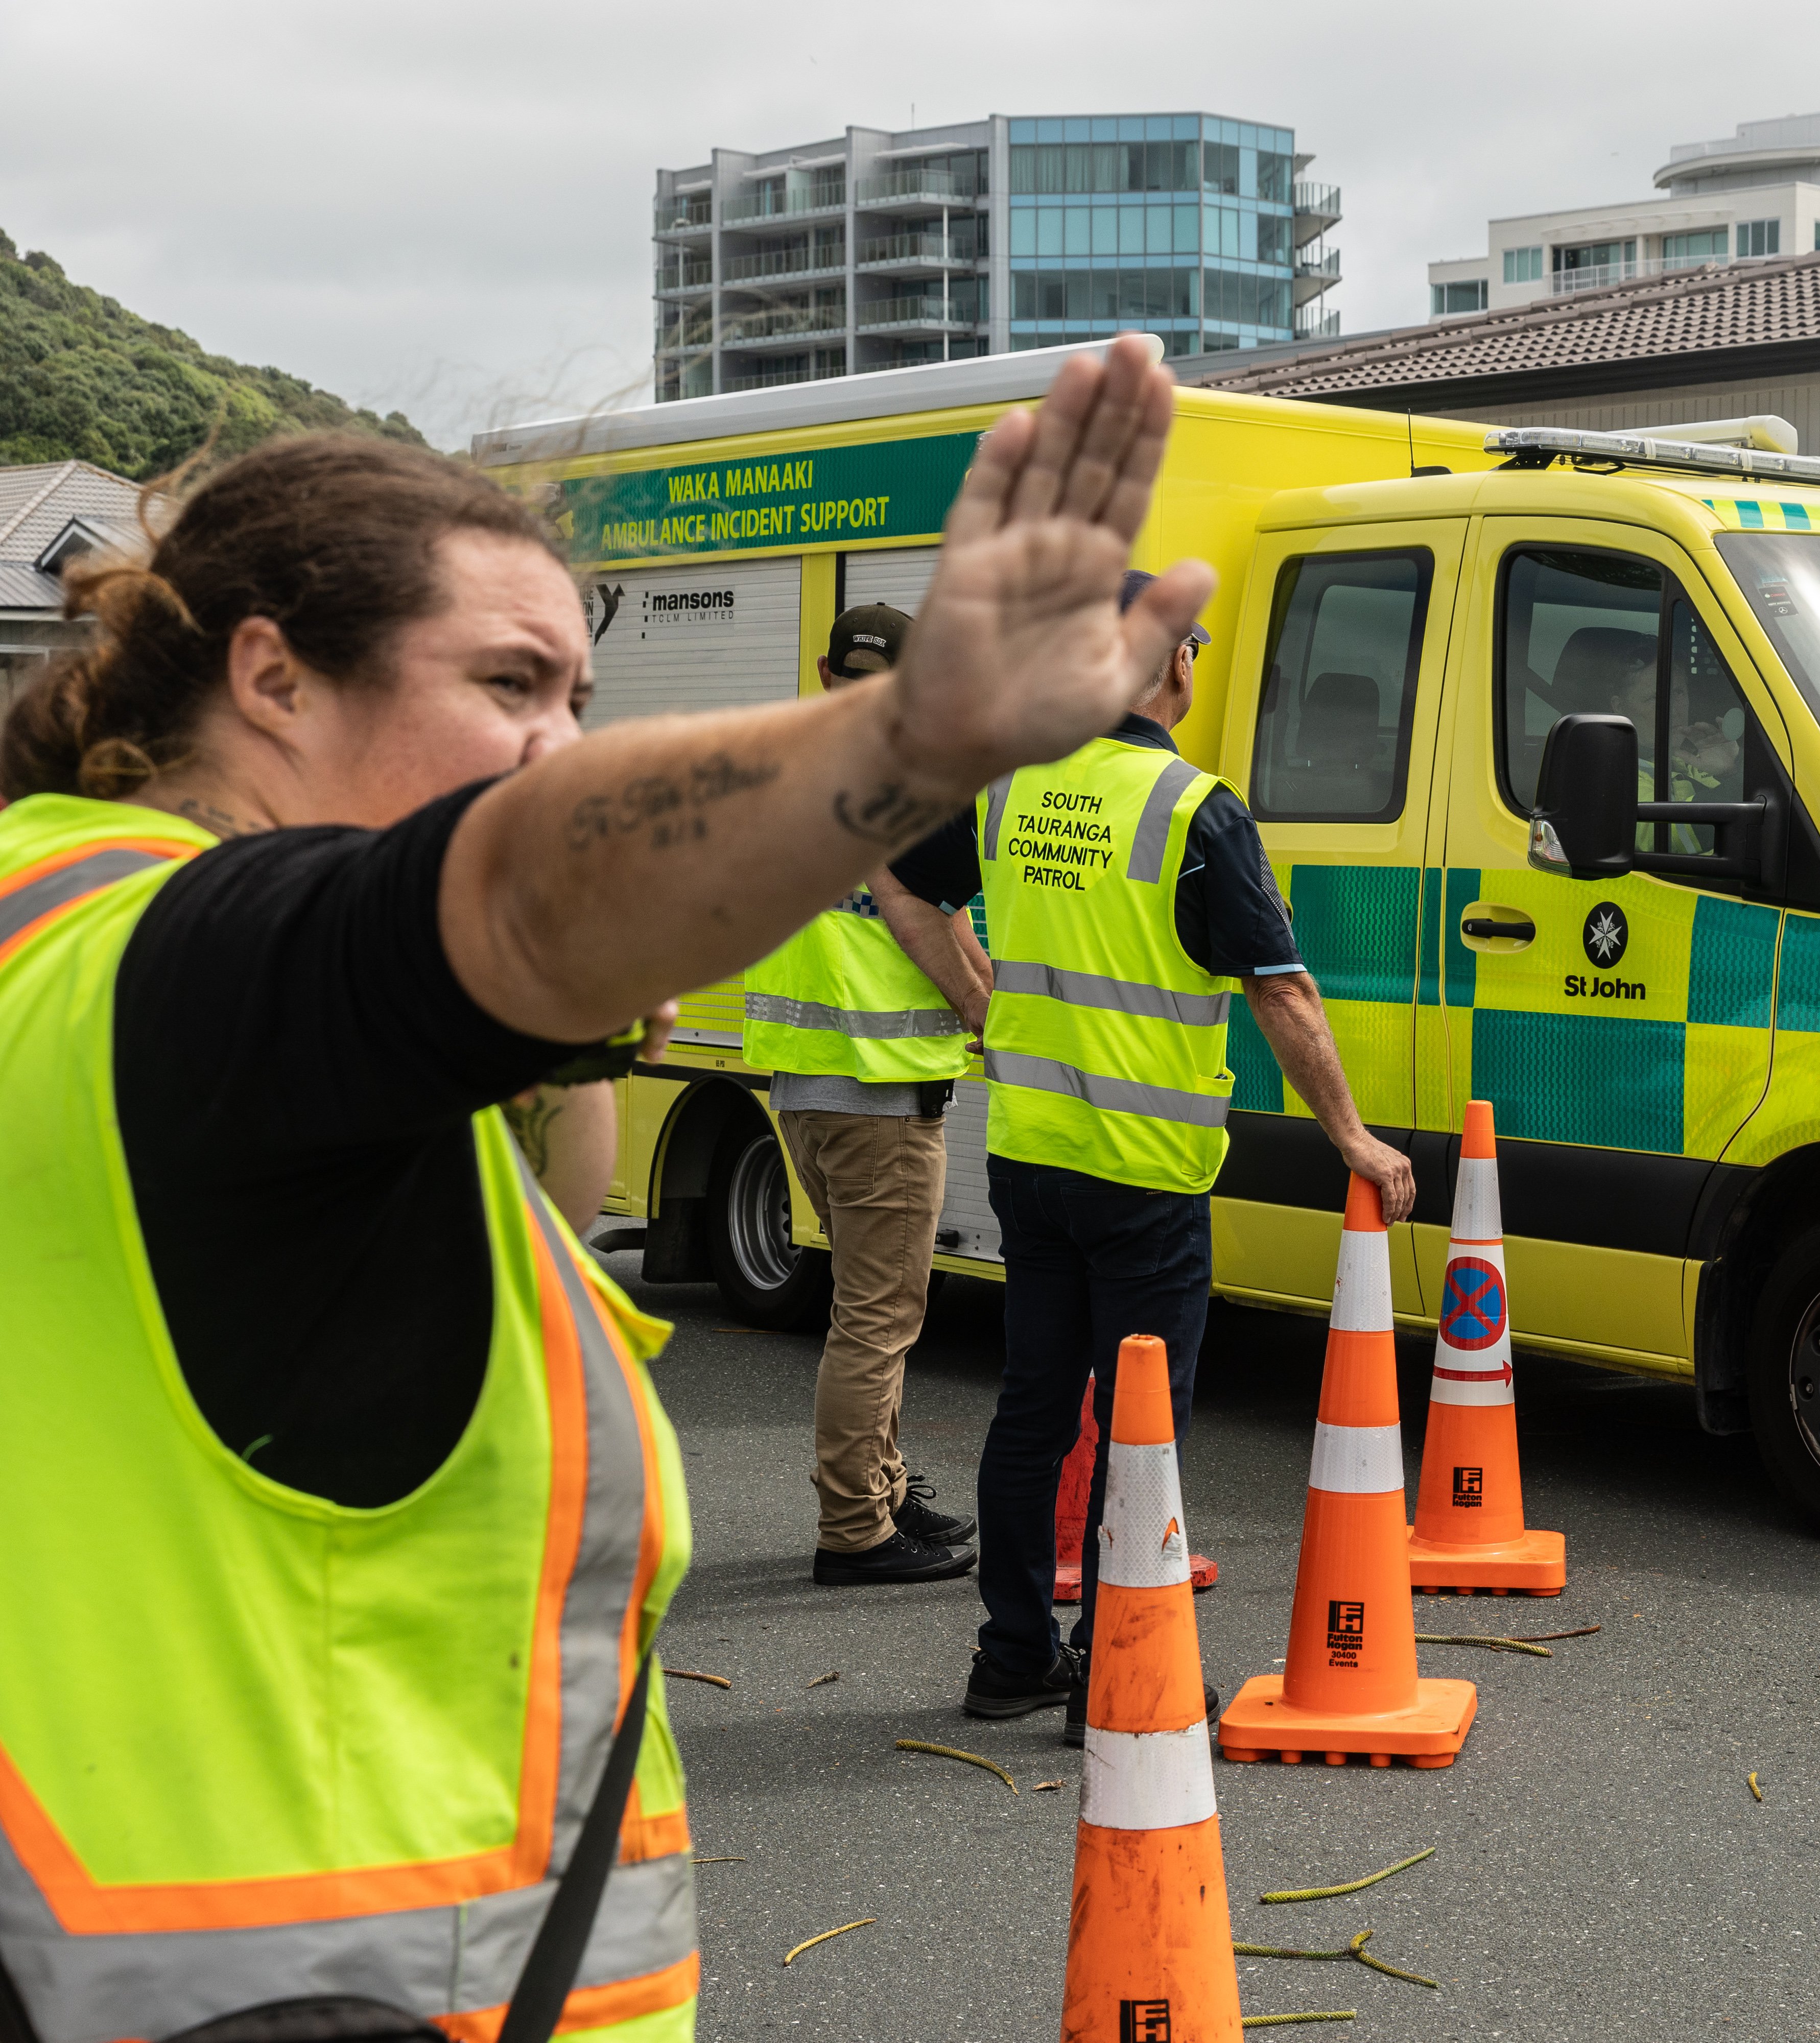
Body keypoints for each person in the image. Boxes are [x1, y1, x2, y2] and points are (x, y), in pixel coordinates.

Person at [0, 334, 1200, 2040]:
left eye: (577, 699)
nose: (556, 748)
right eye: (507, 685)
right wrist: (910, 741)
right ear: (271, 679)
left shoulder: (52, 921)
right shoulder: (205, 962)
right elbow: (516, 895)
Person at [948, 571, 1415, 1738]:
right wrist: (1351, 1135)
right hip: (1144, 1172)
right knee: (1140, 1425)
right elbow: (1282, 991)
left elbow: (913, 893)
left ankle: (1011, 1655)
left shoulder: (1010, 788)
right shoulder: (1192, 808)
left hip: (1030, 1156)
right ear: (1169, 663)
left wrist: (978, 1003)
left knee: (1034, 1410)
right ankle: (1113, 1670)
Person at [741, 602, 995, 1586]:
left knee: (870, 1311)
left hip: (806, 1091)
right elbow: (929, 925)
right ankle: (856, 1528)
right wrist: (987, 1015)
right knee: (878, 1323)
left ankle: (884, 1490)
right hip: (879, 1098)